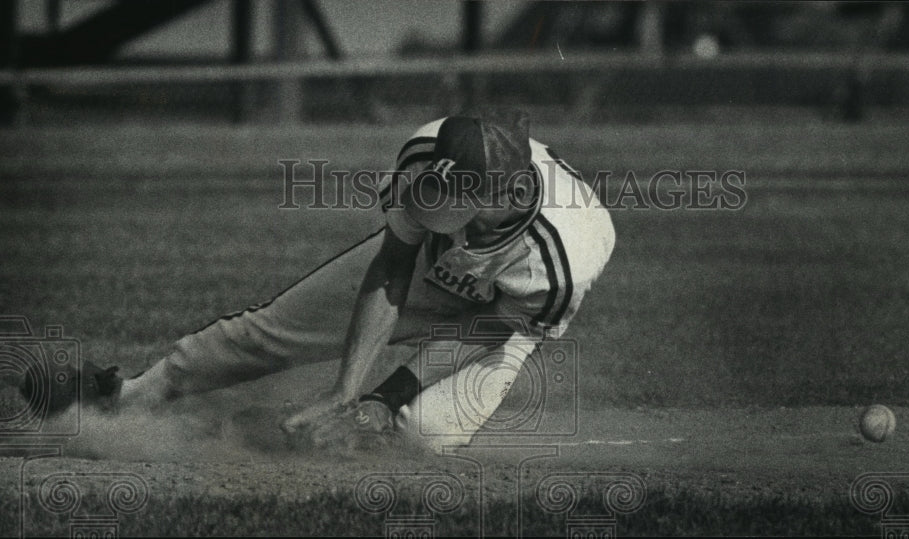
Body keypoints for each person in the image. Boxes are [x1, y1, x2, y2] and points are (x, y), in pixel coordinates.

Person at [25, 109, 615, 451]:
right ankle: (126, 399)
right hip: (429, 271)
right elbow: (392, 266)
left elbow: (485, 328)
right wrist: (344, 389)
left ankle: (240, 436)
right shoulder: (425, 157)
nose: (449, 220)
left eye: (466, 211)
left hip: (504, 314)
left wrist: (380, 400)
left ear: (511, 195)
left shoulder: (566, 254)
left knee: (419, 436)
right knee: (268, 333)